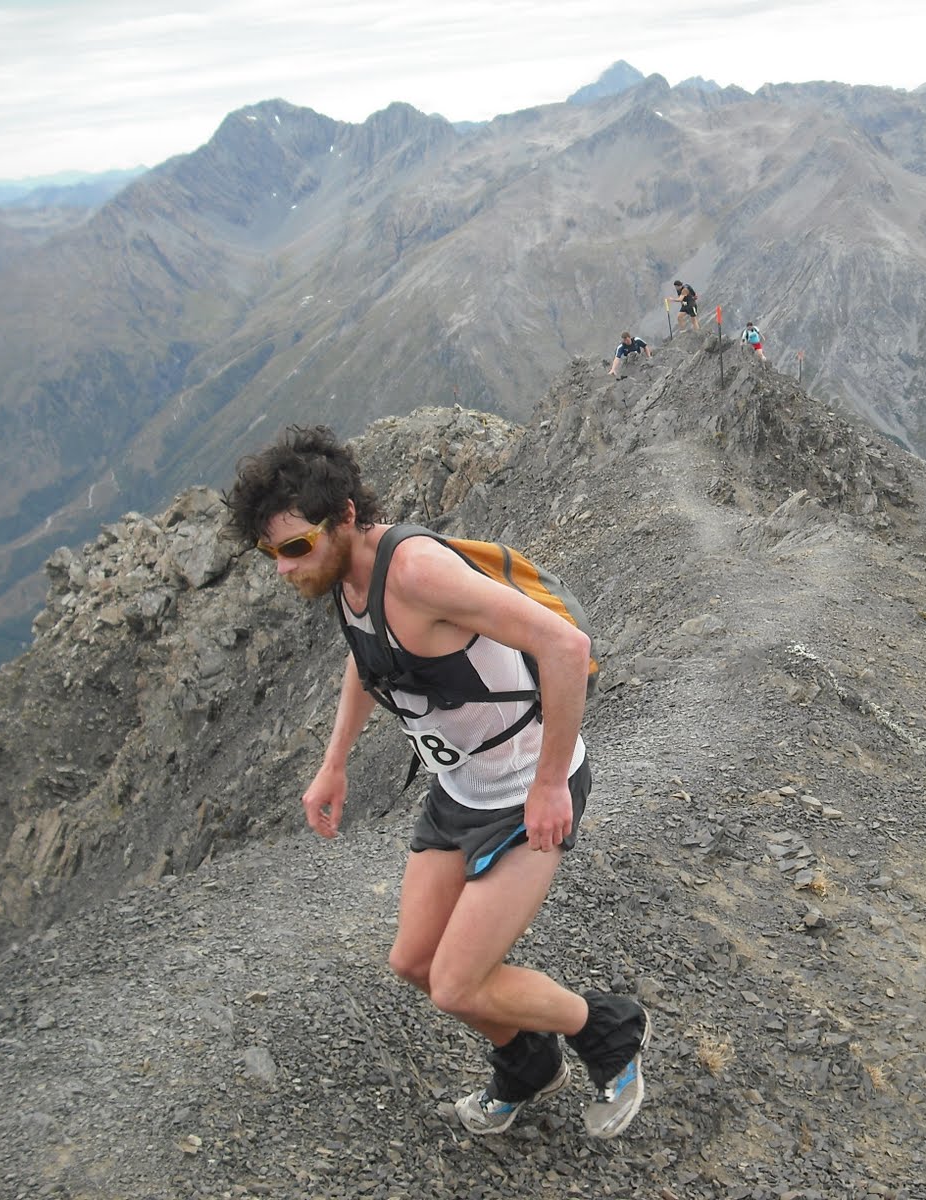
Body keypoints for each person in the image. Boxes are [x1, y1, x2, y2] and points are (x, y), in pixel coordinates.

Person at [223, 425, 650, 1140]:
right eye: (268, 552)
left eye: (294, 546)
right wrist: (335, 763)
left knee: (457, 981)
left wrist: (550, 784)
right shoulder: (345, 577)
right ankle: (527, 1063)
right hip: (459, 793)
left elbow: (565, 645)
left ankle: (607, 1028)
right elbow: (368, 657)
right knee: (415, 962)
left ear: (348, 517)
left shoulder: (417, 572)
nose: (281, 566)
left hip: (526, 790)